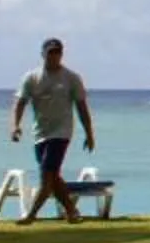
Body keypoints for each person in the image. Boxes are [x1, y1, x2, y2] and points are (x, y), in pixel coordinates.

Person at [7, 38, 97, 226]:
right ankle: (72, 212)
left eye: (57, 52)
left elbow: (81, 106)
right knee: (53, 176)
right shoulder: (32, 78)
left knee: (47, 176)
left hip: (62, 132)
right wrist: (15, 126)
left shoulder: (71, 78)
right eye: (50, 53)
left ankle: (31, 215)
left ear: (61, 54)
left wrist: (89, 133)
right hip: (40, 134)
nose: (54, 56)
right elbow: (20, 102)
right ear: (43, 54)